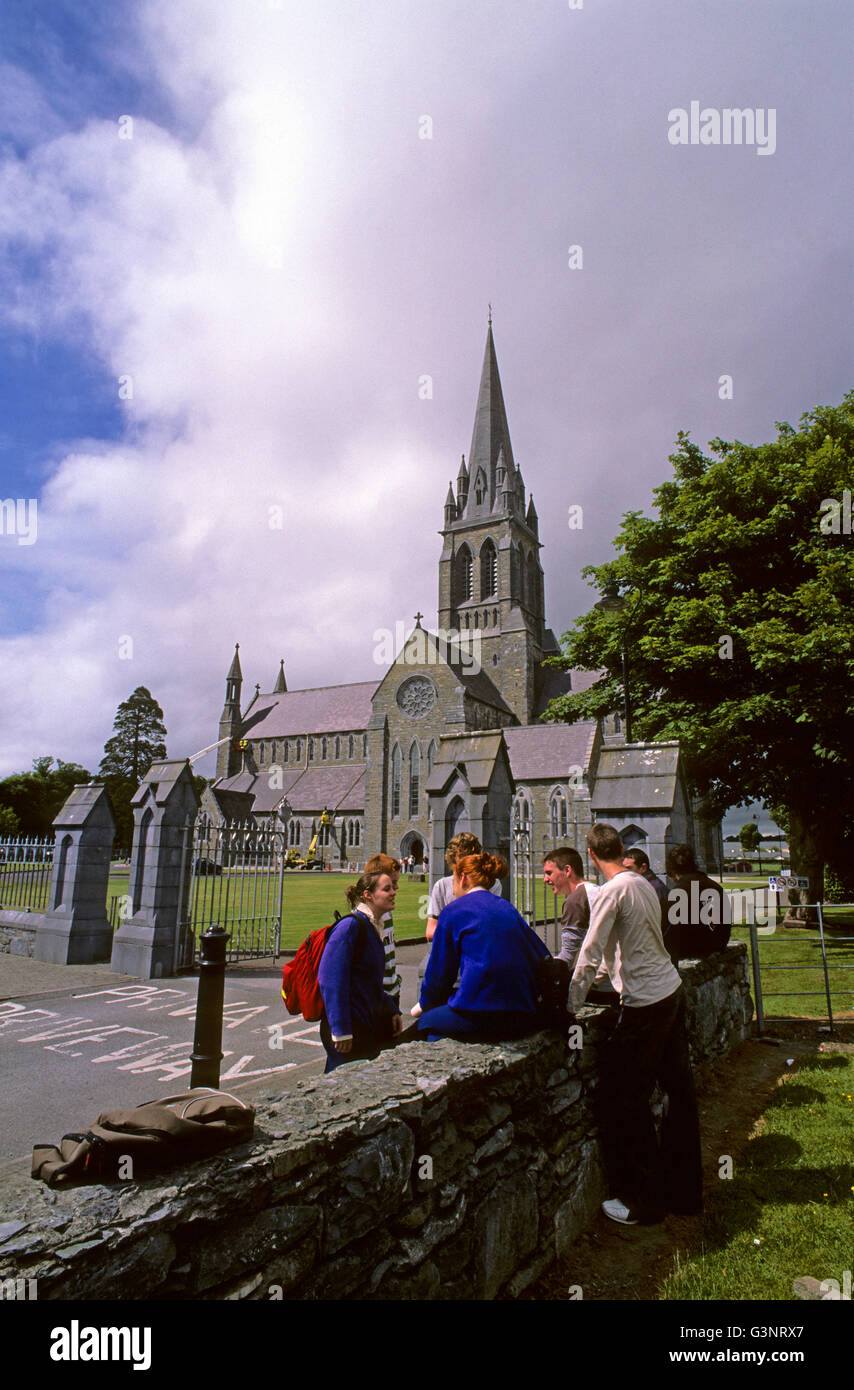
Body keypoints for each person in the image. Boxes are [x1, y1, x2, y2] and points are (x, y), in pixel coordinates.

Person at [570, 822, 703, 1228]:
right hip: (671, 991)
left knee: (626, 1099)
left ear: (592, 856)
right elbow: (629, 946)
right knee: (679, 1093)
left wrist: (569, 1008)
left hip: (646, 1003)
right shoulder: (642, 883)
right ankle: (685, 1194)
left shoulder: (611, 892)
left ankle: (644, 1202)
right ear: (621, 850)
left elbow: (590, 953)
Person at [414, 851, 551, 1042]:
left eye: (453, 880)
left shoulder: (453, 911)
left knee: (424, 1023)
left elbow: (439, 975)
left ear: (463, 878)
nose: (452, 890)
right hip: (521, 1013)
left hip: (478, 1012)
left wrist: (424, 1004)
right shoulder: (507, 908)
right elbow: (540, 954)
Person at [317, 868, 403, 1073]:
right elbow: (329, 979)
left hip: (365, 1024)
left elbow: (369, 984)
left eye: (393, 888)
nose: (394, 892)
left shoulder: (373, 926)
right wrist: (340, 1029)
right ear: (368, 895)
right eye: (387, 889)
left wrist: (391, 1009)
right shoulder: (350, 927)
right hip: (348, 1028)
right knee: (338, 1085)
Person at [414, 831, 503, 1015]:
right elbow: (430, 931)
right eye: (457, 866)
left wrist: (452, 931)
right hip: (446, 970)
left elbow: (489, 929)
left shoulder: (493, 885)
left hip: (476, 970)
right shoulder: (442, 886)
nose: (462, 874)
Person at [663, 844, 730, 964]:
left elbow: (668, 930)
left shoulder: (679, 892)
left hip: (691, 951)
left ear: (672, 871)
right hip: (718, 944)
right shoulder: (715, 887)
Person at [543, 848, 591, 972]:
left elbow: (567, 957)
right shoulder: (596, 890)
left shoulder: (575, 900)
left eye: (549, 873)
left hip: (596, 982)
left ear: (567, 870)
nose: (545, 879)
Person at [364, 852, 402, 1006]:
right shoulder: (365, 920)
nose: (396, 888)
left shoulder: (386, 913)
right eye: (392, 884)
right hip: (378, 999)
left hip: (391, 995)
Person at [622, 848, 668, 919]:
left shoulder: (652, 887)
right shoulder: (641, 885)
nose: (624, 872)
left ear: (643, 868)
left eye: (629, 868)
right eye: (623, 869)